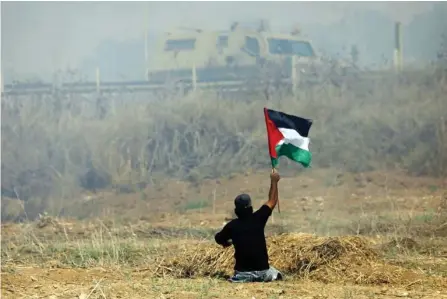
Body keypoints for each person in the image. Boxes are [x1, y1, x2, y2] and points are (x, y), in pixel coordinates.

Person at [214, 169, 283, 283]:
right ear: (250, 207)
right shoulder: (259, 217)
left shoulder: (232, 226)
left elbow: (218, 238)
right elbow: (272, 200)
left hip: (242, 275)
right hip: (263, 273)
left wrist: (226, 243)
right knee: (275, 273)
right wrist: (274, 181)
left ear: (236, 210)